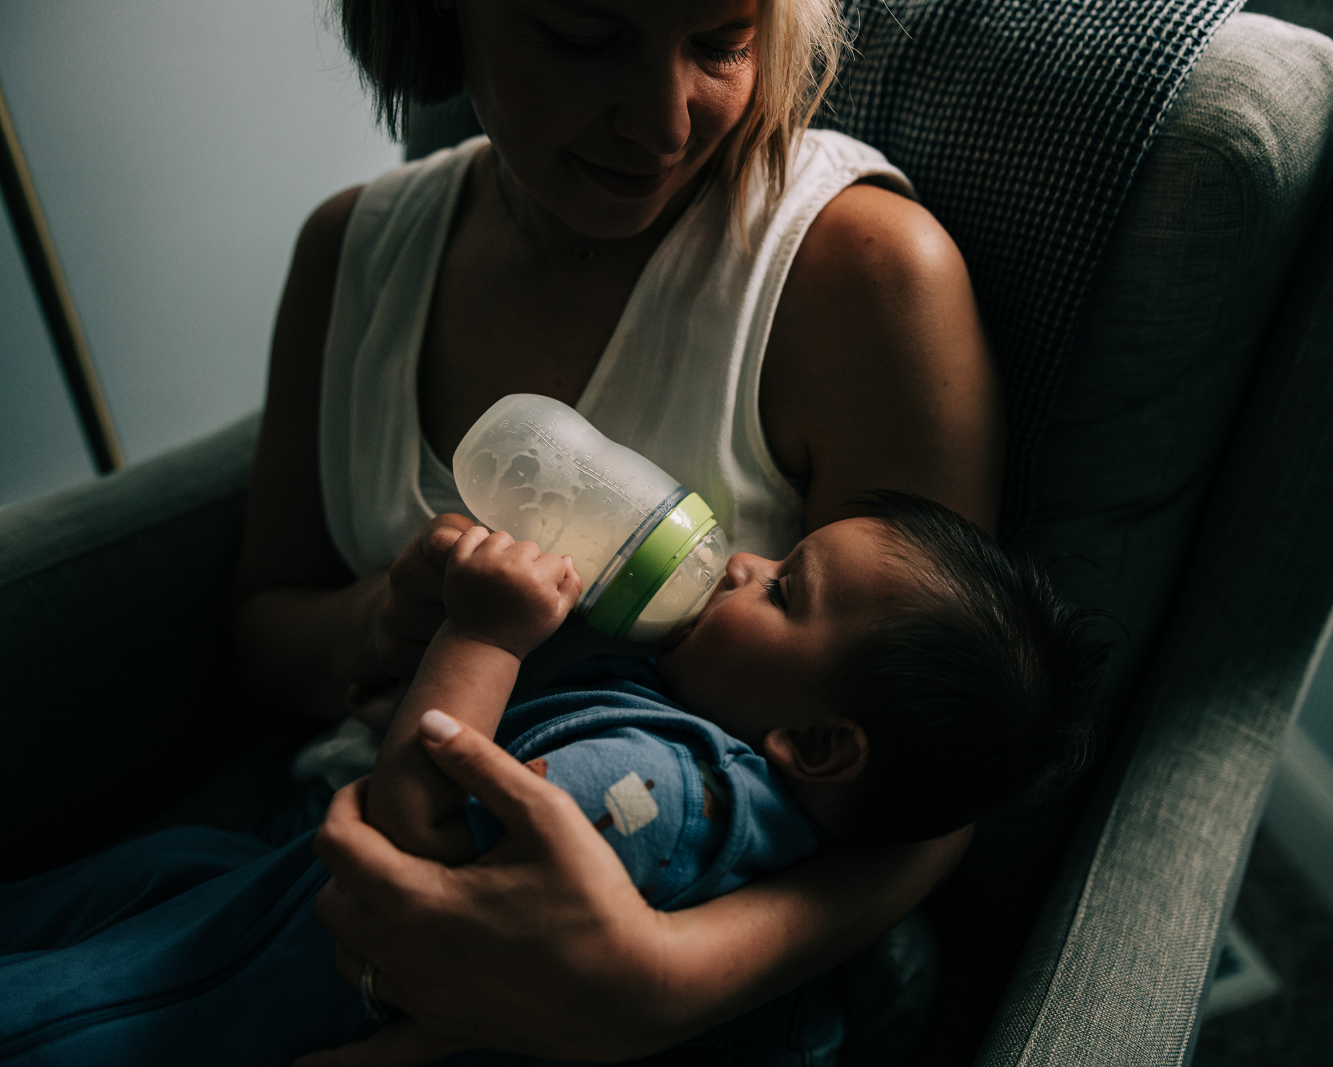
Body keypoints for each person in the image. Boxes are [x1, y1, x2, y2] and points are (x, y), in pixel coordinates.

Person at [229, 0, 1003, 1058]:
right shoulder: (350, 255)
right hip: (324, 871)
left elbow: (938, 775)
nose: (665, 125)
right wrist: (387, 623)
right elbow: (261, 633)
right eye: (584, 36)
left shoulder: (859, 272)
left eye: (724, 43)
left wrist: (663, 981)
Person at [0, 495, 1105, 1067]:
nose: (741, 560)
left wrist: (482, 634)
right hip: (256, 888)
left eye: (782, 588)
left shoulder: (657, 796)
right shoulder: (697, 719)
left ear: (815, 742)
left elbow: (412, 835)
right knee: (142, 878)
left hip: (246, 1003)